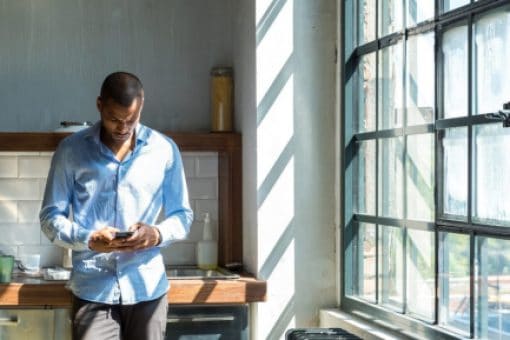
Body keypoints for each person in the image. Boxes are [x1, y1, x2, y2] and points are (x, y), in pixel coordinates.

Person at [40, 71, 193, 340]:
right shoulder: (71, 151)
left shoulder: (164, 150)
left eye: (131, 120)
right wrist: (89, 239)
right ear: (99, 105)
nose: (122, 127)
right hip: (93, 291)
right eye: (114, 119)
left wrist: (155, 234)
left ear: (141, 106)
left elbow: (182, 215)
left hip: (147, 290)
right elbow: (50, 217)